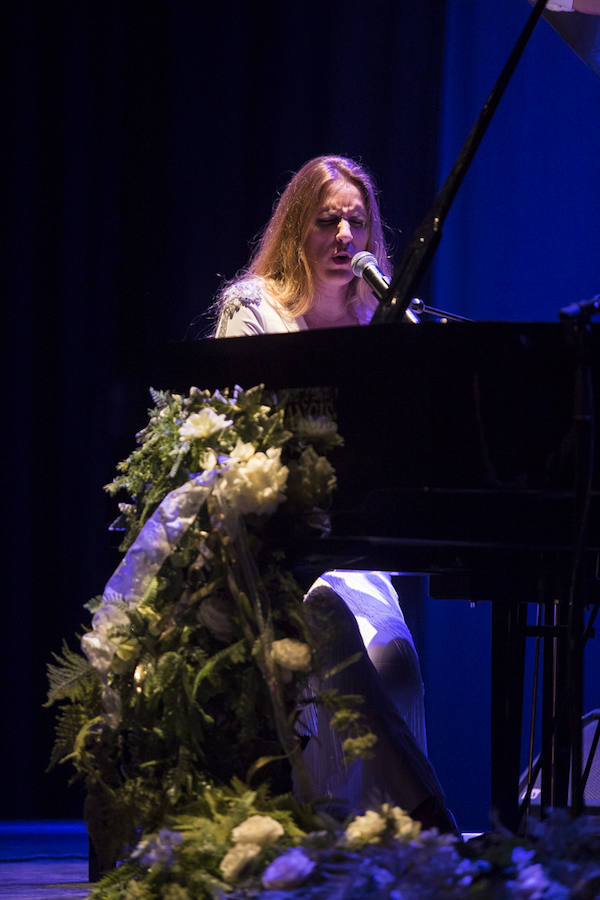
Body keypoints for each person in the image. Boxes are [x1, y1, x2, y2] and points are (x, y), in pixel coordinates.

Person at [214, 156, 456, 833]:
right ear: (297, 230)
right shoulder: (254, 309)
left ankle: (377, 841)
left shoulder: (383, 326)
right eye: (327, 221)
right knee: (330, 628)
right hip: (269, 548)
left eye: (357, 222)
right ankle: (414, 829)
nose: (345, 235)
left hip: (354, 547)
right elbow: (230, 445)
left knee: (396, 664)